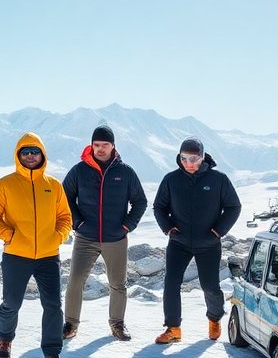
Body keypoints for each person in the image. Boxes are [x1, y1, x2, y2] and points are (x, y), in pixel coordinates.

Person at [0, 133, 73, 358]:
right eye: (25, 152)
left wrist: (58, 237)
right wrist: (9, 235)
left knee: (53, 305)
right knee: (11, 303)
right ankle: (5, 339)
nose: (31, 156)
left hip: (48, 255)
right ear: (18, 155)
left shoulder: (53, 185)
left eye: (35, 151)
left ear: (42, 154)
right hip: (16, 255)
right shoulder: (6, 184)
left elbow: (65, 218)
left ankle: (52, 354)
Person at [61, 125, 148, 341]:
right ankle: (70, 324)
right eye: (96, 145)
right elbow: (64, 198)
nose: (100, 149)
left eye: (104, 145)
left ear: (113, 146)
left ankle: (117, 324)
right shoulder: (79, 170)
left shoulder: (125, 172)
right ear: (91, 145)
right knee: (75, 281)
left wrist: (127, 226)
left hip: (115, 239)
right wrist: (78, 223)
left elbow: (140, 201)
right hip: (85, 238)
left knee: (118, 284)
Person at [151, 137, 242, 344]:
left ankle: (215, 318)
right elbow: (159, 207)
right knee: (171, 283)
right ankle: (173, 328)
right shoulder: (171, 179)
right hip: (179, 243)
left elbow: (233, 207)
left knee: (209, 285)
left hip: (208, 243)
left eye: (193, 159)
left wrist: (218, 231)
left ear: (202, 157)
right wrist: (168, 228)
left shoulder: (218, 180)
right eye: (184, 158)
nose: (188, 163)